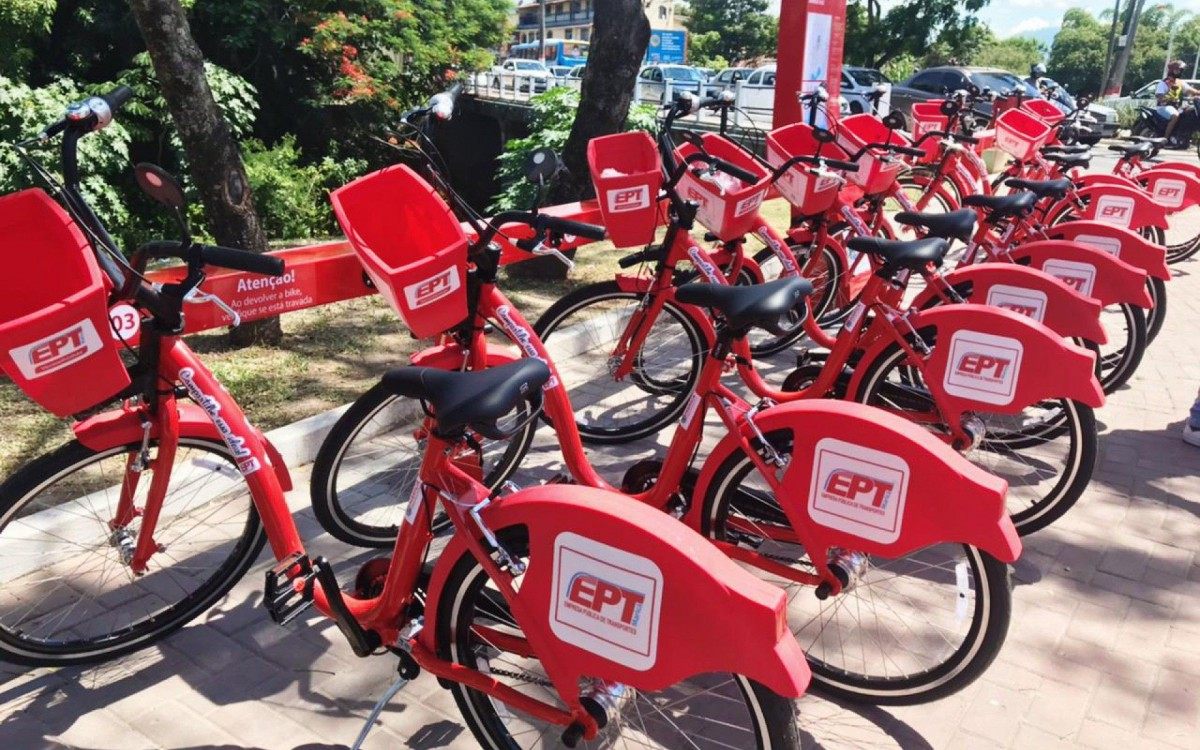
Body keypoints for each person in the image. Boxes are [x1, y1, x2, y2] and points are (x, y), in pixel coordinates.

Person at [1156, 60, 1200, 145]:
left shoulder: (1180, 82)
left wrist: (1198, 93)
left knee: (1189, 111)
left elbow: (1192, 91)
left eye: (1180, 70)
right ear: (1172, 70)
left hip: (1175, 107)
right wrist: (1168, 98)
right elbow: (1159, 97)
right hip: (1163, 107)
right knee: (1175, 115)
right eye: (1177, 70)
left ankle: (1181, 135)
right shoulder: (1164, 82)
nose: (1179, 72)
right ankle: (1165, 139)